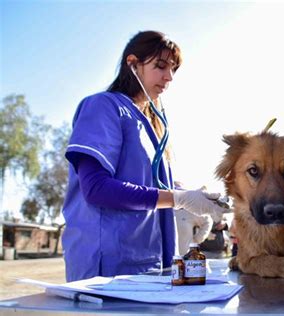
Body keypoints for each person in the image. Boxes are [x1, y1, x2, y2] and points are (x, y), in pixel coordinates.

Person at [62, 31, 228, 282]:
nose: (168, 77)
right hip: (108, 267)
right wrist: (179, 198)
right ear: (133, 64)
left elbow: (151, 188)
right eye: (160, 66)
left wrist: (193, 196)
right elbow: (96, 189)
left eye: (173, 69)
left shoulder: (151, 127)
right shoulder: (103, 107)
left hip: (149, 263)